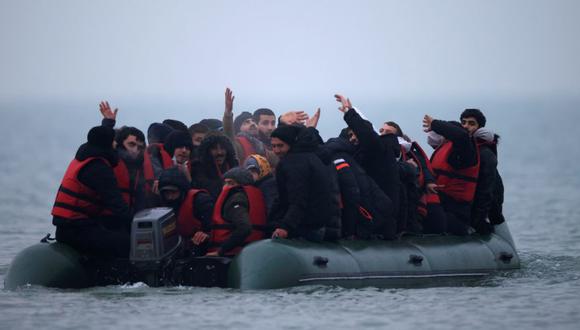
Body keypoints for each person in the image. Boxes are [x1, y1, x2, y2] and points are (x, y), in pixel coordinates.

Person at [52, 125, 132, 258]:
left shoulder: (83, 156)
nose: (115, 144)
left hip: (66, 228)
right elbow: (117, 205)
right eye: (113, 140)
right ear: (107, 143)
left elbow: (98, 136)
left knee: (110, 234)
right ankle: (116, 278)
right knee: (124, 242)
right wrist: (137, 222)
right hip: (77, 230)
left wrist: (108, 122)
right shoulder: (98, 168)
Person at [334, 95, 401, 237]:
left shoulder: (381, 149)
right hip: (368, 217)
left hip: (382, 220)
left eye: (355, 134)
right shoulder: (357, 155)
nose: (352, 138)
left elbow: (368, 137)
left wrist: (350, 113)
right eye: (350, 135)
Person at [268, 125, 338, 241]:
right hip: (321, 225)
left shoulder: (294, 163)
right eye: (273, 146)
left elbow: (298, 199)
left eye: (280, 146)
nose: (276, 151)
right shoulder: (312, 157)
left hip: (305, 228)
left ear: (291, 143)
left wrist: (285, 227)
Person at [321, 136, 394, 239]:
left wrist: (349, 231)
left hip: (369, 216)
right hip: (373, 215)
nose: (353, 139)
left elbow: (351, 193)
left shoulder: (339, 158)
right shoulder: (344, 157)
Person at [382, 121, 445, 234]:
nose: (383, 134)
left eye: (388, 132)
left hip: (413, 201)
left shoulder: (411, 153)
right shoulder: (379, 152)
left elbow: (424, 168)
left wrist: (429, 181)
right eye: (382, 131)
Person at [423, 114, 480, 235]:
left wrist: (435, 124)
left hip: (455, 213)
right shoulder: (444, 147)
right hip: (438, 205)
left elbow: (461, 136)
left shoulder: (466, 151)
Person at [206, 167, 267, 257]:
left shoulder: (236, 198)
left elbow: (245, 228)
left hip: (231, 256)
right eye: (225, 183)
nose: (225, 187)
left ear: (242, 184)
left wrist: (221, 251)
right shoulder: (256, 196)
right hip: (253, 253)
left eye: (230, 183)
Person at [460, 109, 502, 234]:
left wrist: (478, 220)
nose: (466, 126)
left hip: (485, 207)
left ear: (480, 128)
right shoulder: (463, 148)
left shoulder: (485, 154)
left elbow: (486, 191)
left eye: (471, 123)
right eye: (463, 122)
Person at [157, 168, 214, 255]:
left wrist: (206, 234)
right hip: (176, 248)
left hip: (201, 248)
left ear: (182, 190)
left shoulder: (200, 201)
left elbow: (214, 227)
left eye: (173, 192)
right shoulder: (162, 204)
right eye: (167, 193)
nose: (170, 197)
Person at [222, 88, 272, 164]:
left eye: (253, 121)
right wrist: (228, 114)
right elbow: (229, 136)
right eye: (246, 122)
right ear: (238, 128)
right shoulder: (238, 144)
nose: (252, 124)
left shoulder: (262, 144)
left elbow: (278, 158)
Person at [190, 132, 239, 199]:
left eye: (222, 148)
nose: (219, 152)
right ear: (207, 150)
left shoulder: (233, 165)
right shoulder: (198, 168)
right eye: (214, 149)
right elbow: (209, 190)